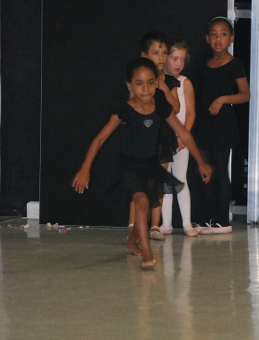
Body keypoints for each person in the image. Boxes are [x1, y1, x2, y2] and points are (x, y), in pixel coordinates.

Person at [72, 57, 212, 269]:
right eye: (139, 83)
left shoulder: (161, 108)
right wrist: (85, 169)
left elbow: (183, 133)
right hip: (128, 167)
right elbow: (100, 139)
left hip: (150, 166)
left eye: (150, 82)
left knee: (145, 205)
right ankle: (146, 250)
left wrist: (201, 162)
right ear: (129, 86)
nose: (145, 88)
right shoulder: (124, 110)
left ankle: (131, 242)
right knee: (142, 201)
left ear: (156, 83)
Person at [195, 16, 250, 234]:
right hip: (204, 123)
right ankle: (207, 219)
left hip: (223, 124)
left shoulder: (235, 64)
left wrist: (223, 99)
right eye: (214, 34)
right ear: (207, 38)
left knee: (219, 170)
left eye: (224, 34)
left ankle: (223, 221)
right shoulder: (204, 64)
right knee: (204, 170)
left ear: (232, 38)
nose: (218, 39)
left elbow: (245, 94)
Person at [127, 31, 180, 242]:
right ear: (144, 55)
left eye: (164, 53)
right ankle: (133, 227)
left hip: (163, 137)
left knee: (158, 183)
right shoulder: (139, 80)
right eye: (156, 52)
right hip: (143, 138)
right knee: (139, 184)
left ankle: (154, 225)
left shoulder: (169, 81)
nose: (161, 57)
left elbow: (176, 108)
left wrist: (164, 87)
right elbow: (131, 106)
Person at [159, 38, 199, 237]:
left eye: (182, 59)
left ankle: (186, 223)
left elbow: (190, 113)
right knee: (164, 180)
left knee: (181, 178)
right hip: (163, 139)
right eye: (174, 58)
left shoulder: (185, 83)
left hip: (181, 140)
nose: (178, 63)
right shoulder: (158, 82)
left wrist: (184, 136)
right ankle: (165, 224)